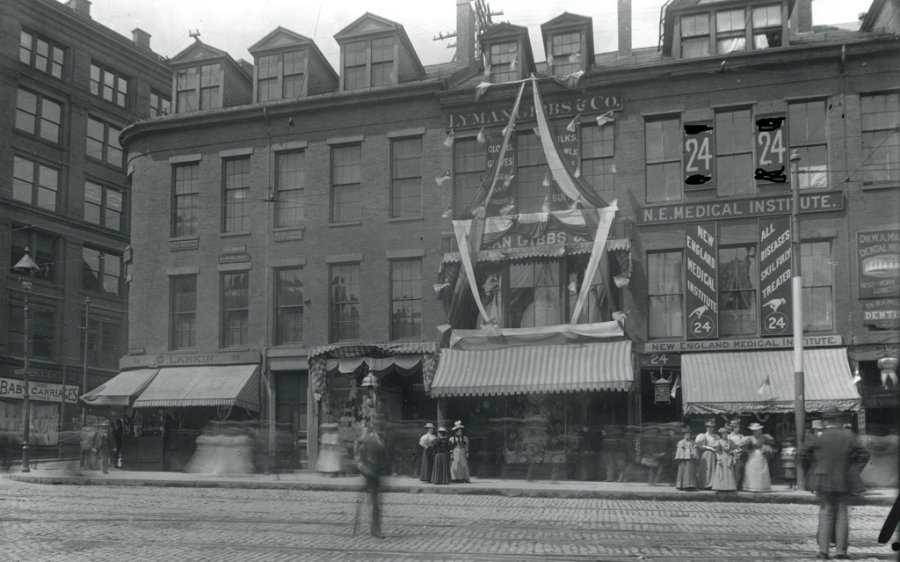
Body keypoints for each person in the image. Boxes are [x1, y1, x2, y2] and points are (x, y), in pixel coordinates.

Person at [799, 409, 870, 560]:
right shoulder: (850, 436)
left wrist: (812, 469)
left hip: (822, 479)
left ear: (825, 422)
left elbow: (802, 453)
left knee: (826, 513)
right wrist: (853, 470)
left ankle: (823, 552)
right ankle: (841, 552)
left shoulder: (819, 437)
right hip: (844, 479)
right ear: (839, 421)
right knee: (842, 514)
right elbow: (864, 454)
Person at [356, 422, 389, 539]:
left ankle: (374, 529)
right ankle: (375, 530)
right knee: (375, 505)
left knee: (375, 505)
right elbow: (380, 460)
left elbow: (361, 461)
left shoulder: (368, 442)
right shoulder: (375, 442)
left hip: (370, 475)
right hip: (372, 476)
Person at [742, 422, 772, 492]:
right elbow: (744, 447)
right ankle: (752, 486)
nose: (758, 432)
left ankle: (761, 487)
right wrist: (748, 449)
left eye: (759, 430)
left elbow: (770, 443)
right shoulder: (749, 438)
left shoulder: (763, 438)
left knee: (761, 469)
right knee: (752, 469)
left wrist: (766, 448)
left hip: (761, 454)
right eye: (756, 430)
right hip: (752, 454)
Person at [712, 427, 737, 493]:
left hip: (728, 458)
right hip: (722, 457)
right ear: (721, 435)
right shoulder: (719, 441)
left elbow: (735, 449)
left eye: (726, 433)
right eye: (723, 434)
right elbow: (717, 451)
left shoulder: (730, 441)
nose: (724, 435)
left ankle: (729, 487)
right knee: (722, 471)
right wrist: (718, 458)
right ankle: (720, 487)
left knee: (728, 472)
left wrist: (733, 453)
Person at [694, 420, 718, 490]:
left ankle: (711, 484)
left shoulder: (715, 436)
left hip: (713, 454)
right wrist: (710, 448)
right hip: (706, 453)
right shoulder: (703, 436)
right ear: (706, 428)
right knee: (706, 469)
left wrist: (715, 449)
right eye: (709, 427)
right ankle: (704, 484)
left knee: (712, 468)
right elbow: (701, 446)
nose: (711, 429)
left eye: (712, 427)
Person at [727, 420, 746, 490]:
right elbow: (727, 445)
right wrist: (732, 451)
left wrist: (740, 450)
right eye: (736, 427)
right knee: (731, 470)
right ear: (732, 427)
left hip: (739, 454)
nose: (738, 429)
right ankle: (731, 485)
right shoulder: (729, 436)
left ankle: (738, 485)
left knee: (739, 470)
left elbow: (743, 445)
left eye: (738, 427)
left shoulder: (741, 436)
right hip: (731, 454)